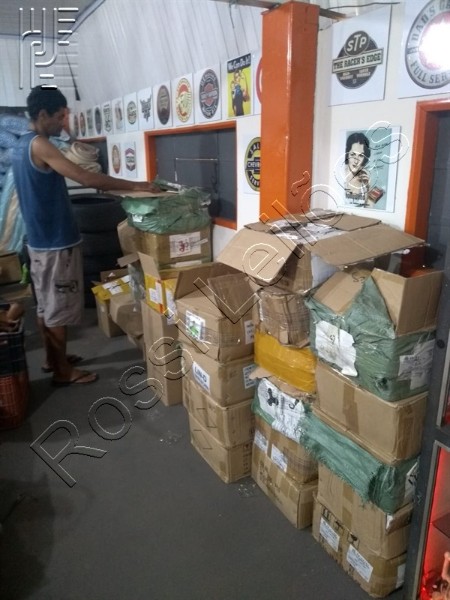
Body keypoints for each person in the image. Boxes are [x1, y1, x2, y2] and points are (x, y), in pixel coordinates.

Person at [11, 85, 160, 386]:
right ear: (43, 114)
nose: (63, 124)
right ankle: (63, 373)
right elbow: (86, 177)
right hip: (56, 243)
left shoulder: (20, 145)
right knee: (58, 307)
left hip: (39, 241)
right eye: (60, 117)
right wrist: (136, 185)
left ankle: (53, 360)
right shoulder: (40, 145)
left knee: (46, 305)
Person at [343, 132, 371, 206]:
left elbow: (367, 208)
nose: (356, 161)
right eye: (353, 154)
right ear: (347, 154)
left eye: (361, 155)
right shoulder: (340, 176)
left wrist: (368, 188)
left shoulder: (364, 179)